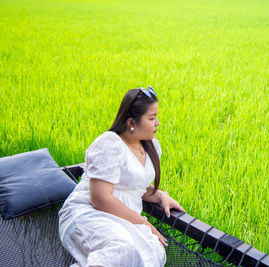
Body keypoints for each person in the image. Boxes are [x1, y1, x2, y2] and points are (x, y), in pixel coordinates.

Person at [58, 86, 186, 267]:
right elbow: (100, 198)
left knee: (153, 253)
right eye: (152, 118)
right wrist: (143, 222)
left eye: (157, 116)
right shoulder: (110, 144)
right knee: (121, 249)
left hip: (123, 220)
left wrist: (160, 195)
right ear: (131, 122)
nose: (157, 123)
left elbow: (134, 186)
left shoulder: (151, 146)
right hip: (90, 213)